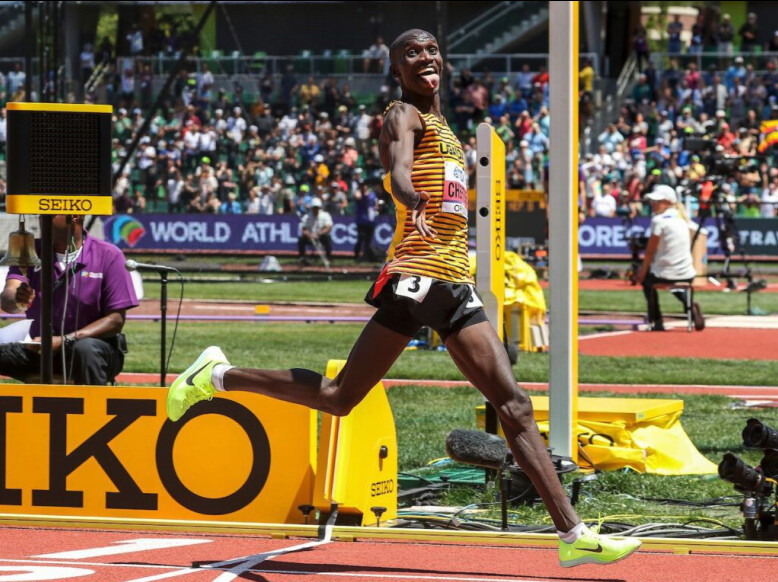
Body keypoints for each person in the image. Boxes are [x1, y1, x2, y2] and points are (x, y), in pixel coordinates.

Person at [166, 29, 641, 569]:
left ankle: (573, 535)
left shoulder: (445, 127)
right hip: (418, 276)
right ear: (396, 69)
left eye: (431, 49)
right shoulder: (403, 115)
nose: (425, 57)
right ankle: (217, 376)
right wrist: (411, 196)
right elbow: (397, 172)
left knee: (503, 405)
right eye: (411, 53)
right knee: (354, 396)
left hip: (453, 280)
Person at [0, 215, 137, 385]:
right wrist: (16, 298)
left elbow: (115, 320)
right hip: (40, 349)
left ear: (75, 216)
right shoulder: (29, 250)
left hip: (93, 349)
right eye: (41, 211)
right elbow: (9, 296)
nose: (42, 216)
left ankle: (92, 403)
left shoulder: (108, 254)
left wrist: (65, 340)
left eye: (51, 212)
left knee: (85, 349)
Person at [636, 185, 705, 332]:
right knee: (674, 283)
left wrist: (642, 271)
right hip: (688, 273)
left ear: (668, 202)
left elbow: (649, 251)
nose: (652, 204)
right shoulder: (683, 219)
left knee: (647, 281)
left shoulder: (659, 221)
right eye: (652, 201)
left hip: (666, 274)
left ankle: (657, 320)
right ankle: (689, 305)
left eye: (656, 201)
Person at [297, 197, 332, 264]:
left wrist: (319, 234)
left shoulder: (325, 215)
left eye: (317, 208)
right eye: (314, 208)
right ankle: (302, 258)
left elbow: (328, 227)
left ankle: (329, 258)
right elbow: (304, 229)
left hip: (321, 236)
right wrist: (310, 235)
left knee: (327, 238)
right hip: (311, 237)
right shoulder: (307, 217)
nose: (315, 209)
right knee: (301, 239)